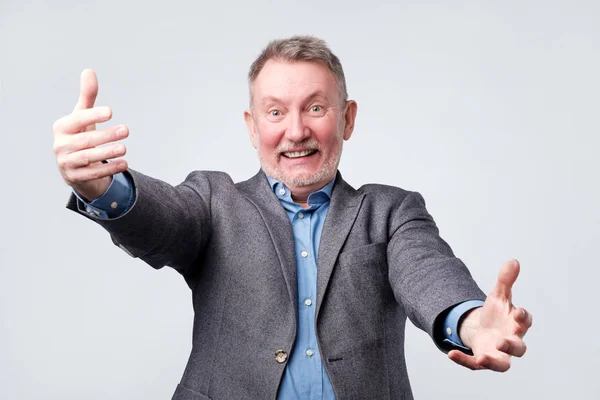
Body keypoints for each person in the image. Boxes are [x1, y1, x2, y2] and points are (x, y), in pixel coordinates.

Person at [53, 36, 532, 400]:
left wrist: (467, 320)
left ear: (347, 119)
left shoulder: (392, 211)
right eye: (276, 111)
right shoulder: (214, 201)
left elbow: (426, 271)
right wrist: (101, 185)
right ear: (252, 126)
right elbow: (164, 220)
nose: (296, 130)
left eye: (316, 108)